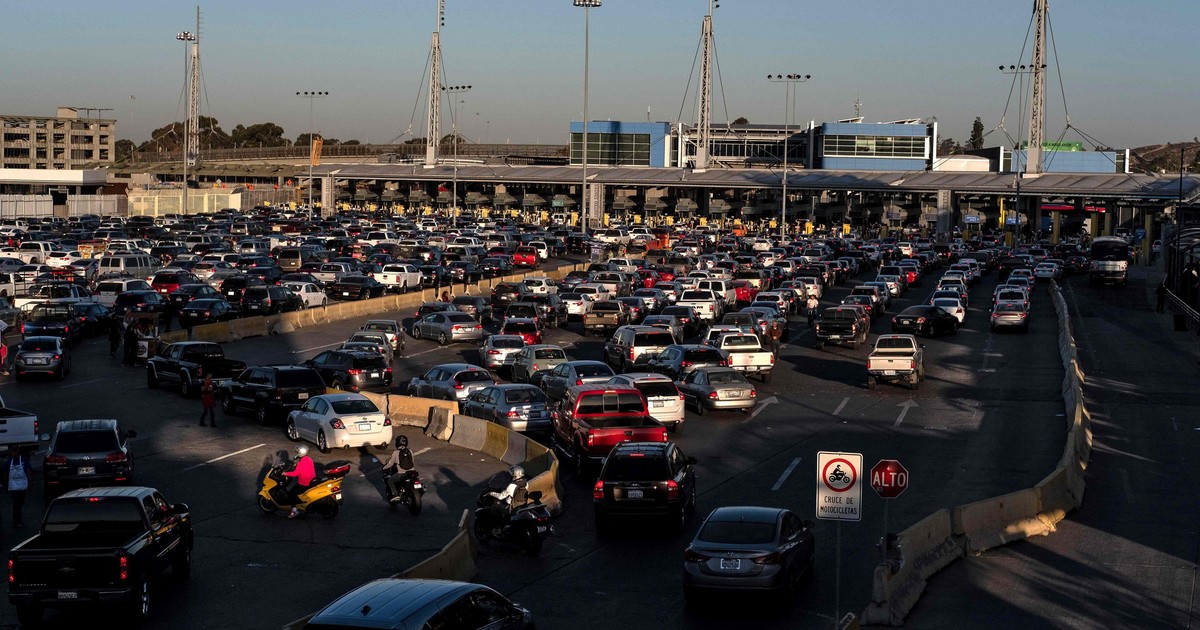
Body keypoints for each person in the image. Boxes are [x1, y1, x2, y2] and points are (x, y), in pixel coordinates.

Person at [283, 445, 316, 518]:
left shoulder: (301, 463)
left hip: (304, 483)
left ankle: (294, 511)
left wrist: (285, 473)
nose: (297, 454)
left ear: (301, 453)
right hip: (311, 480)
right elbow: (305, 466)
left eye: (298, 452)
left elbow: (295, 474)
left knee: (290, 493)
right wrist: (297, 465)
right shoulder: (309, 459)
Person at [3, 449, 32, 528]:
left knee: (19, 503)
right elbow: (5, 473)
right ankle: (18, 521)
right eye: (11, 452)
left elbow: (28, 471)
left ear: (17, 452)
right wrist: (6, 485)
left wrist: (30, 483)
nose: (12, 453)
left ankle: (15, 516)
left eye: (13, 452)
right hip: (13, 486)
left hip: (22, 485)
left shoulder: (24, 460)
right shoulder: (9, 462)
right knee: (17, 503)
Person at [383, 435, 416, 503]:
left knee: (390, 480)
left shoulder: (396, 452)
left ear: (397, 443)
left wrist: (384, 468)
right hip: (411, 472)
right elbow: (412, 461)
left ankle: (395, 494)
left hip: (401, 474)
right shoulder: (410, 451)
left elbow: (390, 463)